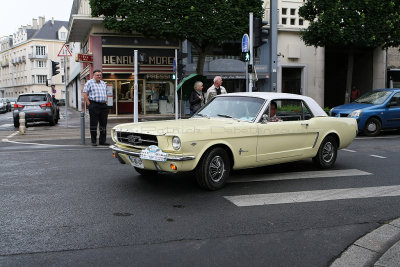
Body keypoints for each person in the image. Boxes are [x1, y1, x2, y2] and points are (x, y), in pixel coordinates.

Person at [83, 69, 109, 146]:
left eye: (100, 75)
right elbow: (84, 94)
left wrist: (106, 101)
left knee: (103, 124)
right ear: (93, 75)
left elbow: (106, 93)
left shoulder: (103, 83)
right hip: (94, 105)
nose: (99, 76)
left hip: (103, 105)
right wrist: (89, 104)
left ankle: (102, 141)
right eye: (97, 75)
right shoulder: (89, 83)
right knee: (94, 124)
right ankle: (93, 141)